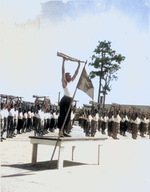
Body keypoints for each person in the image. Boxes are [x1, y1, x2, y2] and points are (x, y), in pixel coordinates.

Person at [58, 57, 80, 137]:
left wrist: (79, 65)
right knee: (62, 116)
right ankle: (60, 131)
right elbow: (62, 71)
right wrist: (63, 62)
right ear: (66, 77)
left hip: (69, 101)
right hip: (65, 100)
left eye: (70, 76)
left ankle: (64, 131)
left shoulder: (71, 83)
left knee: (68, 117)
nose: (70, 77)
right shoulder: (64, 83)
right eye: (69, 76)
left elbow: (76, 74)